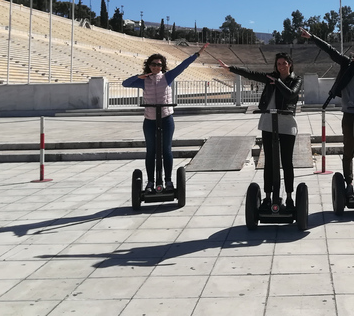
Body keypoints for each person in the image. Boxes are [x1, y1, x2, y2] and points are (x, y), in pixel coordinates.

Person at [300, 27, 354, 197]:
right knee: (348, 150)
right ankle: (349, 182)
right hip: (350, 114)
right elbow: (330, 51)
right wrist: (312, 37)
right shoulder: (347, 64)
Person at [218, 53, 303, 210]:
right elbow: (252, 74)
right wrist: (230, 68)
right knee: (270, 162)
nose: (281, 66)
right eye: (278, 64)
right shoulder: (271, 77)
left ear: (290, 64)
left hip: (286, 124)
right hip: (268, 123)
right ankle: (268, 197)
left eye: (284, 63)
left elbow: (290, 94)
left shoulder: (296, 80)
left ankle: (290, 196)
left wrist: (277, 82)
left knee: (286, 162)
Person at [123, 43, 208, 192]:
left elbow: (183, 65)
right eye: (153, 64)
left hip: (166, 118)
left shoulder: (167, 77)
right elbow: (125, 83)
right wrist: (138, 76)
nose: (156, 67)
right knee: (151, 150)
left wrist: (197, 54)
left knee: (166, 149)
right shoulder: (143, 80)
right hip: (149, 119)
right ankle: (150, 182)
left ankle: (168, 181)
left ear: (162, 66)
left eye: (159, 64)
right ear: (149, 65)